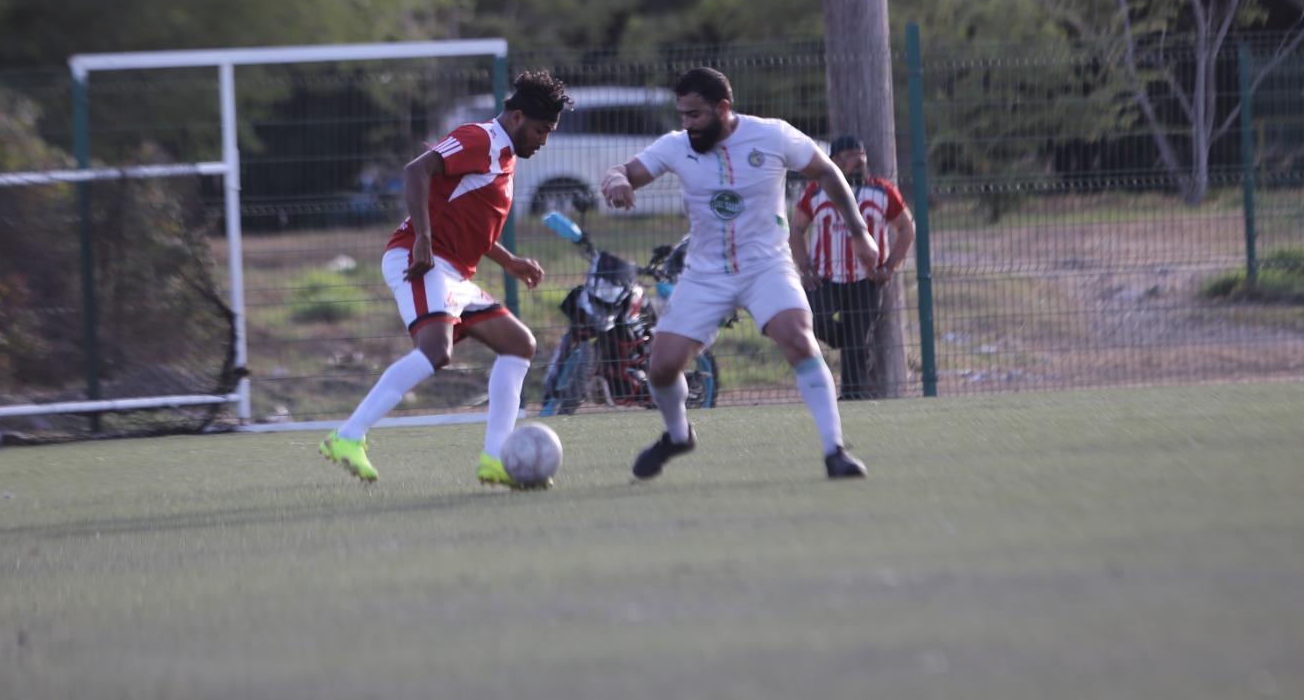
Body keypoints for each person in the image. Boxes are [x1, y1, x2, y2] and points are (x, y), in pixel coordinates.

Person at [600, 67, 878, 480]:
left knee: (798, 337)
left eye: (695, 114)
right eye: (682, 115)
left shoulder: (772, 135)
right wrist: (616, 181)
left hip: (767, 265)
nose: (687, 124)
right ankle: (677, 435)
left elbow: (826, 171)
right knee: (661, 366)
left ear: (723, 108)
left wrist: (860, 233)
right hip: (705, 274)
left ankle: (834, 450)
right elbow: (622, 170)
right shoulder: (676, 145)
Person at [320, 71, 573, 488]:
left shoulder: (505, 156)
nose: (543, 140)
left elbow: (466, 223)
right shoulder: (480, 138)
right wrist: (422, 239)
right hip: (419, 259)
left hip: (453, 271)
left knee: (519, 344)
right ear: (517, 118)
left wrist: (508, 261)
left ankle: (495, 459)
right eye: (541, 130)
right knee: (437, 350)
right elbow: (416, 171)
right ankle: (347, 436)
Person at [789, 135, 916, 400]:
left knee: (857, 346)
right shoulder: (815, 191)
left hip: (866, 279)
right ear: (834, 161)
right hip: (824, 278)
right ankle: (847, 340)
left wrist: (889, 267)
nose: (859, 160)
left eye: (861, 155)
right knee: (812, 319)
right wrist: (805, 268)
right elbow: (797, 229)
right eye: (850, 156)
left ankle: (852, 399)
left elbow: (906, 228)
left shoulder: (883, 191)